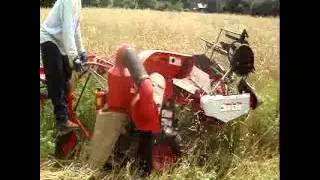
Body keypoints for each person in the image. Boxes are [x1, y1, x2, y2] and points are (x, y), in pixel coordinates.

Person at [40, 0, 87, 131]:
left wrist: (81, 51)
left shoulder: (77, 2)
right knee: (57, 77)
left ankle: (65, 110)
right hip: (49, 38)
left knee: (66, 77)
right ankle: (61, 119)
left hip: (61, 43)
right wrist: (74, 57)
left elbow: (76, 28)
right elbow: (67, 29)